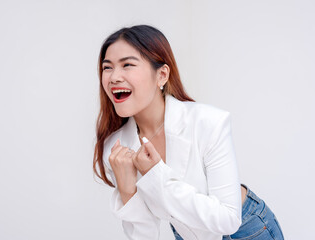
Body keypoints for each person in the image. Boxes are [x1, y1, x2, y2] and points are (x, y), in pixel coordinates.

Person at [93, 25, 284, 240]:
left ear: (162, 75)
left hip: (248, 230)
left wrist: (156, 175)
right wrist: (128, 193)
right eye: (107, 68)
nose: (114, 77)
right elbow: (144, 236)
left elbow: (228, 220)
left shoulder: (208, 123)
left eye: (127, 64)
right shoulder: (116, 150)